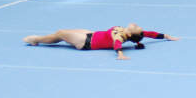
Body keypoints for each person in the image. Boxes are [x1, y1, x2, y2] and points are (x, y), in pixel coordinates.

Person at [23, 23, 178, 60]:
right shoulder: (128, 32)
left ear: (131, 33)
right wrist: (166, 36)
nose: (136, 24)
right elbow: (150, 34)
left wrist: (120, 54)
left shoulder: (121, 36)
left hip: (86, 42)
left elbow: (116, 43)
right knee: (59, 34)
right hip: (91, 34)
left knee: (61, 33)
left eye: (136, 27)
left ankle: (36, 39)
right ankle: (39, 40)